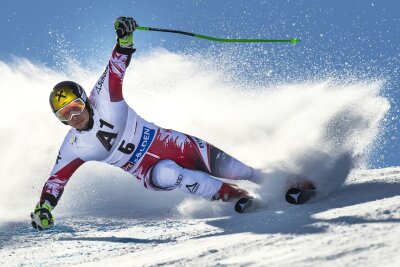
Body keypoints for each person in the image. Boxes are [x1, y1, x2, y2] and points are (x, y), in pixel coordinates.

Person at [31, 17, 263, 231]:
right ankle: (235, 195)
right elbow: (56, 180)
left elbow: (116, 66)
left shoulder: (103, 97)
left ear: (86, 101)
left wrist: (124, 39)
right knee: (170, 173)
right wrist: (44, 208)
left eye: (76, 108)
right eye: (65, 116)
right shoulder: (74, 145)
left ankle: (277, 180)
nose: (74, 118)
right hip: (149, 172)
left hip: (170, 143)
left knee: (238, 170)